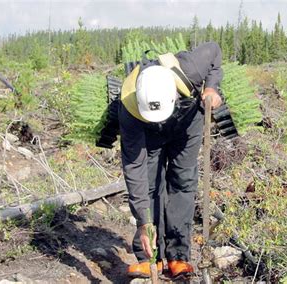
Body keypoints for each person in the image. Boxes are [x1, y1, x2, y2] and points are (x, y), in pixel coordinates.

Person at [118, 42, 223, 279]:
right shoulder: (128, 107)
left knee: (182, 182)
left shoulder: (192, 67)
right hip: (147, 131)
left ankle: (178, 255)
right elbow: (134, 169)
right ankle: (149, 258)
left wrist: (212, 88)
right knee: (149, 183)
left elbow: (215, 51)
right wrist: (144, 223)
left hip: (187, 122)